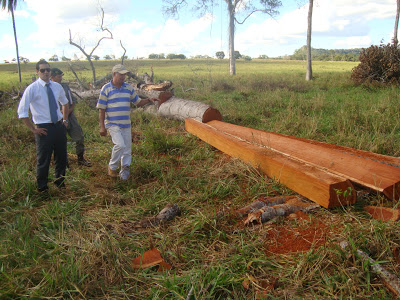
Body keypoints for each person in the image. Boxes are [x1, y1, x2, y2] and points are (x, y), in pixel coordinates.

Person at [17, 59, 69, 192]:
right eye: (42, 70)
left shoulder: (57, 86)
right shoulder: (32, 89)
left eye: (48, 70)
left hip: (58, 126)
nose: (46, 72)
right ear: (37, 72)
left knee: (61, 156)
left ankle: (60, 183)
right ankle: (42, 187)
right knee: (44, 159)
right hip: (43, 128)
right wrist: (33, 129)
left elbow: (65, 103)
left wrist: (65, 120)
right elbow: (22, 112)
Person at [96, 64, 154, 180]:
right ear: (114, 74)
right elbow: (101, 109)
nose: (123, 77)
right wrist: (102, 127)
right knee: (120, 145)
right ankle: (112, 167)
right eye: (120, 75)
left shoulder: (128, 88)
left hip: (126, 123)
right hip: (112, 123)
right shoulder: (106, 89)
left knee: (127, 148)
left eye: (124, 75)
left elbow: (137, 102)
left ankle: (125, 172)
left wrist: (148, 100)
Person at [50, 68, 91, 167]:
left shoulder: (65, 86)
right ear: (52, 77)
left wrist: (68, 111)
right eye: (58, 76)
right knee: (60, 142)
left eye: (61, 76)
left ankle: (80, 159)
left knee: (79, 137)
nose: (61, 78)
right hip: (56, 118)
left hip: (69, 116)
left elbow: (72, 101)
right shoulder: (48, 88)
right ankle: (64, 163)